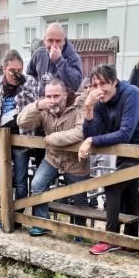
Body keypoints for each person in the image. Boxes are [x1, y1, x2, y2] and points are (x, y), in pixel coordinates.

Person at [79, 64, 139, 255]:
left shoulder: (132, 94)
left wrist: (91, 140)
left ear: (114, 82)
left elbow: (125, 133)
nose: (98, 89)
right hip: (118, 151)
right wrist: (88, 108)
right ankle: (131, 240)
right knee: (129, 191)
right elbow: (92, 132)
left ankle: (110, 238)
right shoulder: (100, 100)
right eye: (94, 85)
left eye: (103, 84)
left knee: (112, 183)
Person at [17, 77, 88, 236]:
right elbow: (22, 122)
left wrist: (52, 139)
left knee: (80, 198)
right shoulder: (43, 109)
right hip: (52, 158)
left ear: (65, 94)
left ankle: (80, 234)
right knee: (37, 185)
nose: (52, 100)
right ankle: (43, 223)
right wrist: (37, 105)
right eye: (48, 96)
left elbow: (80, 132)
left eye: (56, 96)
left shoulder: (78, 106)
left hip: (76, 160)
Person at [0, 50, 38, 201]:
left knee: (21, 183)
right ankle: (6, 208)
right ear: (4, 69)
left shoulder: (29, 82)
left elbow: (33, 105)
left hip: (22, 137)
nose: (16, 74)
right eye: (12, 71)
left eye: (19, 71)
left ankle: (19, 218)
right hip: (1, 138)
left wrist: (22, 85)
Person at [26, 22, 83, 94]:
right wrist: (38, 89)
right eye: (50, 40)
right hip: (42, 102)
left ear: (64, 41)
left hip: (65, 104)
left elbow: (75, 86)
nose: (54, 45)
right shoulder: (38, 54)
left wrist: (59, 61)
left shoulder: (73, 58)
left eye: (58, 41)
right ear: (44, 41)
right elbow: (30, 75)